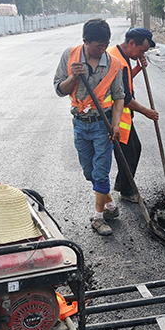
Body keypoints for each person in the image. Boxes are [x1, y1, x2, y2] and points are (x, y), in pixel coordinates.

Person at [53, 18, 125, 237]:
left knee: (101, 173)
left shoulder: (113, 64)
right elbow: (60, 90)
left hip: (103, 125)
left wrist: (115, 124)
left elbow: (119, 96)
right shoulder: (70, 56)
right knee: (89, 172)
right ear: (85, 41)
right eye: (98, 45)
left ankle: (98, 217)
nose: (103, 49)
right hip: (79, 124)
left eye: (106, 44)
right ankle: (110, 205)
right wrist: (73, 76)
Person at [107, 27, 158, 203]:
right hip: (115, 117)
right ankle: (127, 192)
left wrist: (137, 68)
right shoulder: (116, 60)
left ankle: (122, 184)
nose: (142, 54)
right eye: (141, 50)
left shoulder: (121, 55)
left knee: (134, 149)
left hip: (123, 115)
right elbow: (125, 97)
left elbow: (124, 82)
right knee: (129, 153)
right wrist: (146, 111)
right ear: (131, 43)